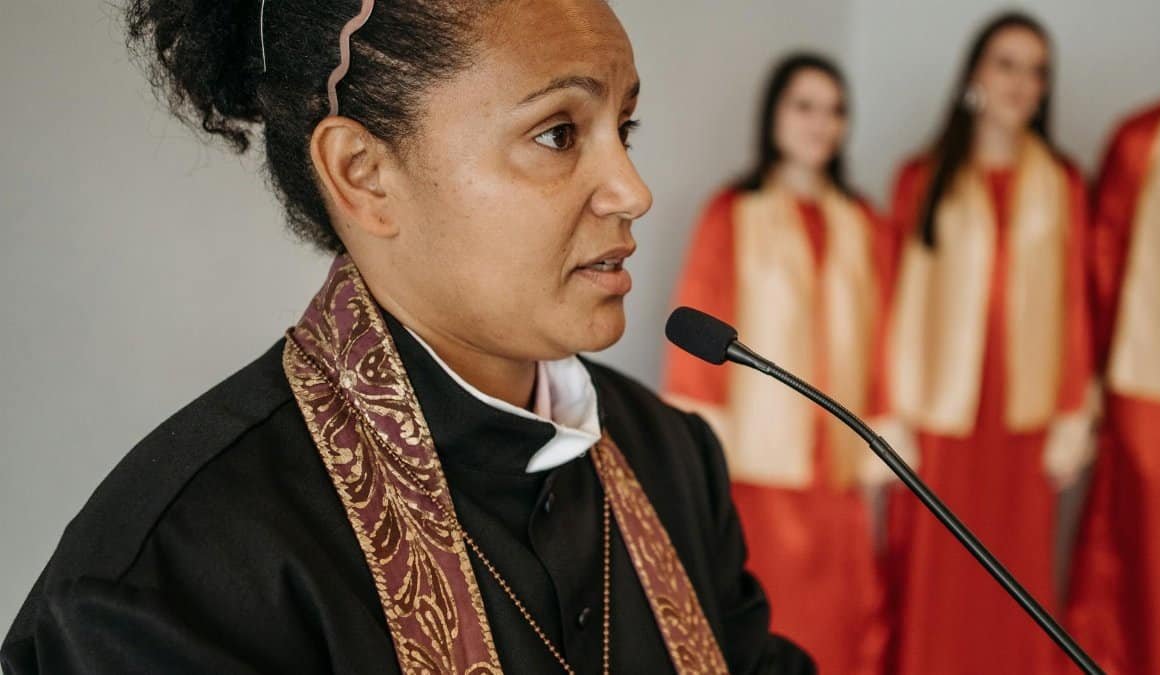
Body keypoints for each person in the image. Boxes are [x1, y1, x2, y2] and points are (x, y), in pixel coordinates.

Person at [0, 1, 815, 672]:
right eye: (557, 133)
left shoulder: (673, 458)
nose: (633, 191)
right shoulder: (172, 579)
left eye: (624, 129)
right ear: (364, 173)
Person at [663, 53, 894, 675]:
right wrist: (702, 442)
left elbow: (884, 339)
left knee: (841, 632)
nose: (821, 122)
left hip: (839, 471)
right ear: (774, 115)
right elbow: (699, 332)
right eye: (805, 105)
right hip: (759, 471)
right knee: (770, 627)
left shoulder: (865, 222)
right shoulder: (732, 214)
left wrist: (882, 428)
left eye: (835, 109)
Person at [881, 12, 1095, 675]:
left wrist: (1072, 413)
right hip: (941, 409)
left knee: (1020, 578)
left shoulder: (1061, 180)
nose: (1021, 82)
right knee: (939, 572)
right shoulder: (921, 177)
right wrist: (888, 408)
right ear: (976, 73)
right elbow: (889, 300)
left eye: (1036, 70)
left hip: (1023, 411)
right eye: (1007, 63)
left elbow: (1073, 305)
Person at [1065, 35, 1160, 675]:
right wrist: (1088, 386)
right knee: (1158, 580)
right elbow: (1101, 265)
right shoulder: (1146, 138)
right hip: (1158, 397)